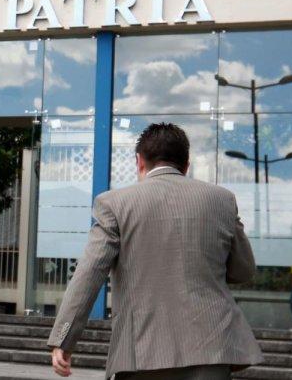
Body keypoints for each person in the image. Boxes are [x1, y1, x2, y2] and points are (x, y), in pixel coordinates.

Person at [47, 123, 263, 379]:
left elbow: (89, 274)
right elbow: (243, 270)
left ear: (139, 161)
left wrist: (64, 339)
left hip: (142, 351)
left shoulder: (113, 204)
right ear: (186, 165)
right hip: (213, 347)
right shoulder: (222, 199)